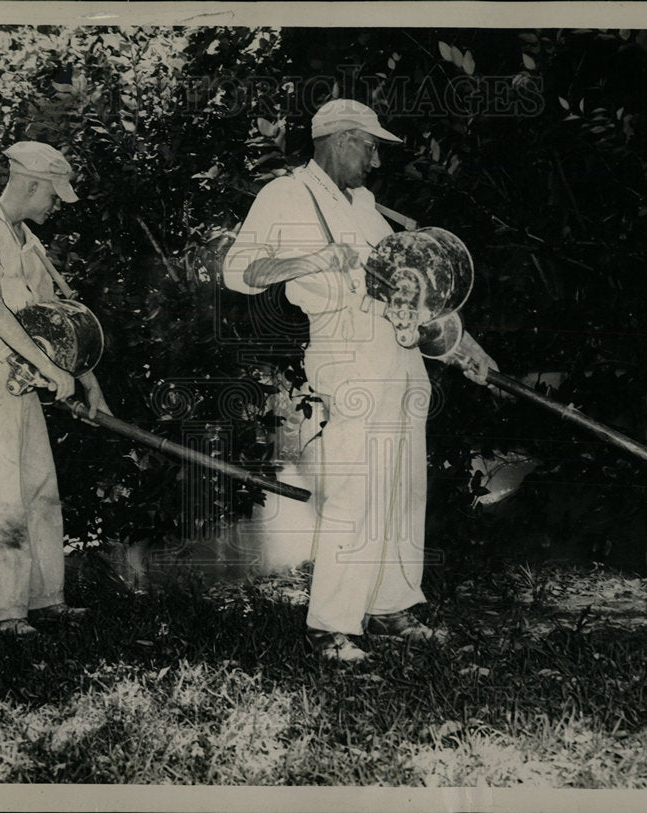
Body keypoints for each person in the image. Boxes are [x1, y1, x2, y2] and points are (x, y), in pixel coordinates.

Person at [224, 100, 497, 662]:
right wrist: (314, 261)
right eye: (369, 146)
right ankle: (333, 625)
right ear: (339, 139)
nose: (375, 159)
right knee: (357, 489)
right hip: (345, 349)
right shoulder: (285, 195)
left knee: (401, 486)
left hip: (398, 353)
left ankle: (392, 604)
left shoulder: (368, 206)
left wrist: (462, 344)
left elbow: (408, 292)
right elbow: (240, 273)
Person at [0, 141, 111, 638]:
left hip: (24, 376)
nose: (55, 205)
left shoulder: (26, 240)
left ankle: (44, 600)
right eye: (53, 196)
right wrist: (50, 370)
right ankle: (3, 614)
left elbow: (61, 316)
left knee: (39, 490)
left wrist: (88, 382)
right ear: (32, 184)